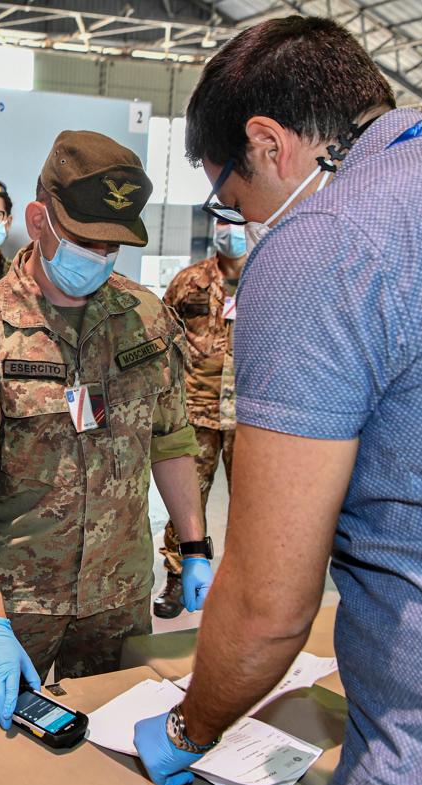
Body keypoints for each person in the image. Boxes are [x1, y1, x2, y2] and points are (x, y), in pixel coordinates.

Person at [132, 18, 422, 785]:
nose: (251, 223)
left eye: (239, 196)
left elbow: (272, 606)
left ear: (269, 144)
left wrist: (189, 725)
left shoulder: (328, 241)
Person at [0, 131, 212, 729]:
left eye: (113, 246)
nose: (99, 257)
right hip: (17, 600)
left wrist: (194, 548)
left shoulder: (146, 318)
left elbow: (172, 441)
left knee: (115, 758)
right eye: (84, 240)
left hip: (119, 594)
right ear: (38, 220)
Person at [152, 220, 247, 618]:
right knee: (189, 499)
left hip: (250, 413)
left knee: (254, 504)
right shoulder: (189, 282)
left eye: (238, 221)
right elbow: (162, 334)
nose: (232, 230)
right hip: (197, 409)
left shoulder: (270, 277)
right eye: (224, 222)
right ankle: (177, 577)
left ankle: (246, 586)